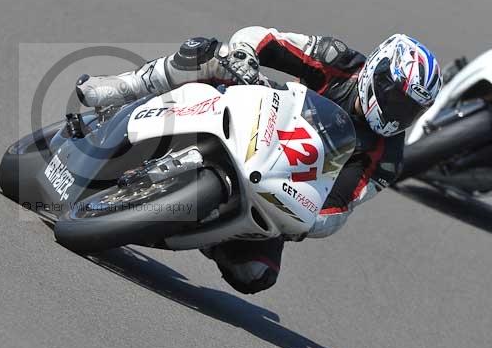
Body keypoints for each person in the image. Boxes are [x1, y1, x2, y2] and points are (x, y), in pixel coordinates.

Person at [75, 27, 442, 294]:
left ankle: (206, 228)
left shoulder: (388, 157)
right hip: (254, 115)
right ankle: (126, 87)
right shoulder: (337, 59)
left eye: (409, 108)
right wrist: (244, 57)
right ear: (376, 71)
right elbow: (265, 39)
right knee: (207, 53)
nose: (397, 111)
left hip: (275, 184)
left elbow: (341, 205)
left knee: (254, 274)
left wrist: (307, 221)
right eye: (395, 96)